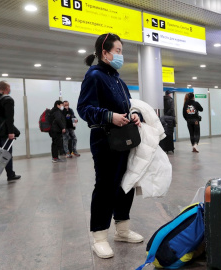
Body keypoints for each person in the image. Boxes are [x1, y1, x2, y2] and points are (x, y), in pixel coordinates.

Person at [77, 33, 143, 259]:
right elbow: (84, 109)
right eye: (118, 51)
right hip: (104, 140)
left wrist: (134, 116)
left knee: (126, 183)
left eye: (121, 52)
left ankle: (122, 230)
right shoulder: (94, 76)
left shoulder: (118, 80)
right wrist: (108, 116)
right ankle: (99, 237)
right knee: (105, 186)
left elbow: (128, 106)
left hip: (123, 138)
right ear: (104, 53)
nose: (120, 56)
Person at [0, 81, 21, 181]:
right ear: (7, 88)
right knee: (6, 155)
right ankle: (10, 175)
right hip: (5, 132)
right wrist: (11, 132)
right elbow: (9, 118)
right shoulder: (8, 100)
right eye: (9, 87)